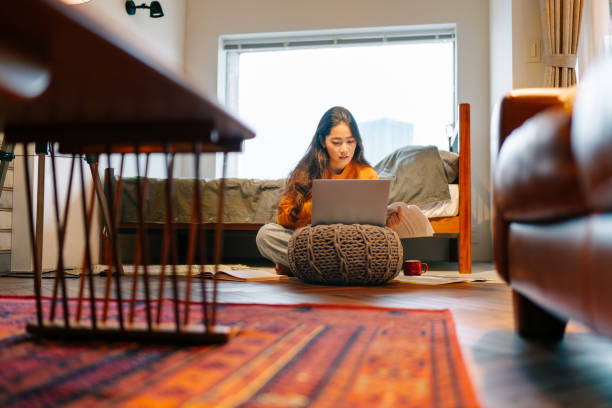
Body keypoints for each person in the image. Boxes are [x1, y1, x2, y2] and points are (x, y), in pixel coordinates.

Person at [256, 106, 400, 275]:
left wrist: (385, 221)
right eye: (337, 142)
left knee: (382, 247)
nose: (345, 149)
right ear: (322, 141)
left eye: (350, 141)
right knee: (266, 235)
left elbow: (369, 231)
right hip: (313, 242)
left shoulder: (366, 173)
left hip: (348, 246)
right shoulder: (305, 171)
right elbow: (283, 218)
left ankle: (306, 266)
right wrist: (317, 207)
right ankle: (330, 269)